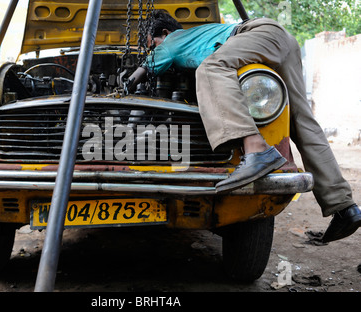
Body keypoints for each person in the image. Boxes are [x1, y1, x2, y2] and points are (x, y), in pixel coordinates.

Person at [127, 10, 361, 243]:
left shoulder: (174, 39)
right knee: (301, 122)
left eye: (153, 43)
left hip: (259, 33)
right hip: (281, 39)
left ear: (165, 33)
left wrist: (125, 82)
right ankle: (343, 207)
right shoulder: (196, 37)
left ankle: (256, 149)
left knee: (211, 68)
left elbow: (144, 69)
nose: (154, 49)